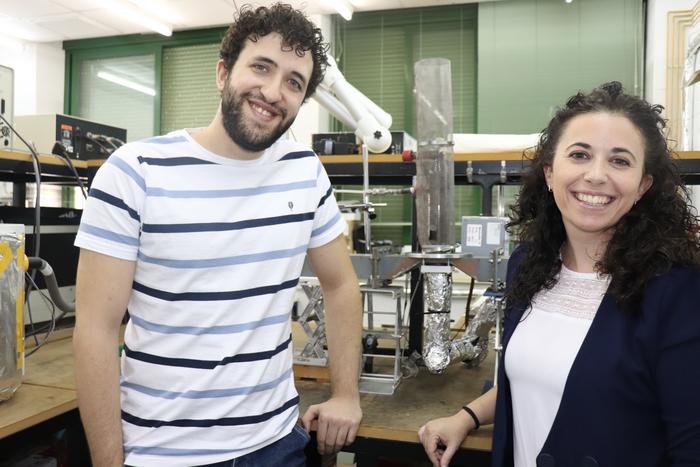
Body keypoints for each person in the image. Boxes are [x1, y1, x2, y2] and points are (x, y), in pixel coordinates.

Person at [72, 4, 363, 466]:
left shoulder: (305, 174)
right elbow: (95, 330)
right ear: (223, 71)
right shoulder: (135, 171)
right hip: (161, 453)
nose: (273, 91)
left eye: (293, 82)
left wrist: (346, 393)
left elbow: (342, 285)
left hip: (276, 445)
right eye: (261, 67)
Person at [418, 81, 700, 467]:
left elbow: (691, 442)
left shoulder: (676, 288)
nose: (596, 175)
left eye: (620, 161)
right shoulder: (529, 264)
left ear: (642, 186)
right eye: (580, 154)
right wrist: (466, 417)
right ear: (550, 173)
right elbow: (538, 376)